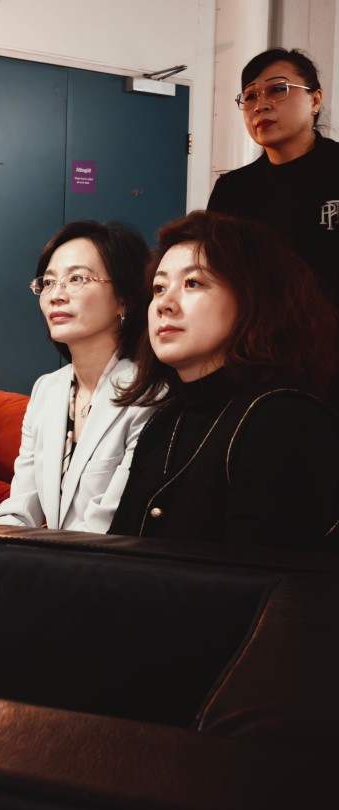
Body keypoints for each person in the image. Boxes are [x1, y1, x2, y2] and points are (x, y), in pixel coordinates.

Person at [108, 210, 339, 549]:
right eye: (159, 288)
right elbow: (118, 557)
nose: (164, 304)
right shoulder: (164, 420)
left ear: (253, 298)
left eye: (193, 283)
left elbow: (257, 575)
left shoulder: (283, 416)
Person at [0, 221, 154, 533]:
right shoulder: (47, 389)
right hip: (46, 558)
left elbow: (107, 526)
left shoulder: (148, 393)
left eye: (77, 278)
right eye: (48, 282)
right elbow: (20, 507)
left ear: (124, 299)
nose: (56, 295)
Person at [207, 48, 338, 406]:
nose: (260, 105)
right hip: (257, 361)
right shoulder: (232, 190)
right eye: (249, 96)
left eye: (278, 89)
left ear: (315, 100)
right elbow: (219, 279)